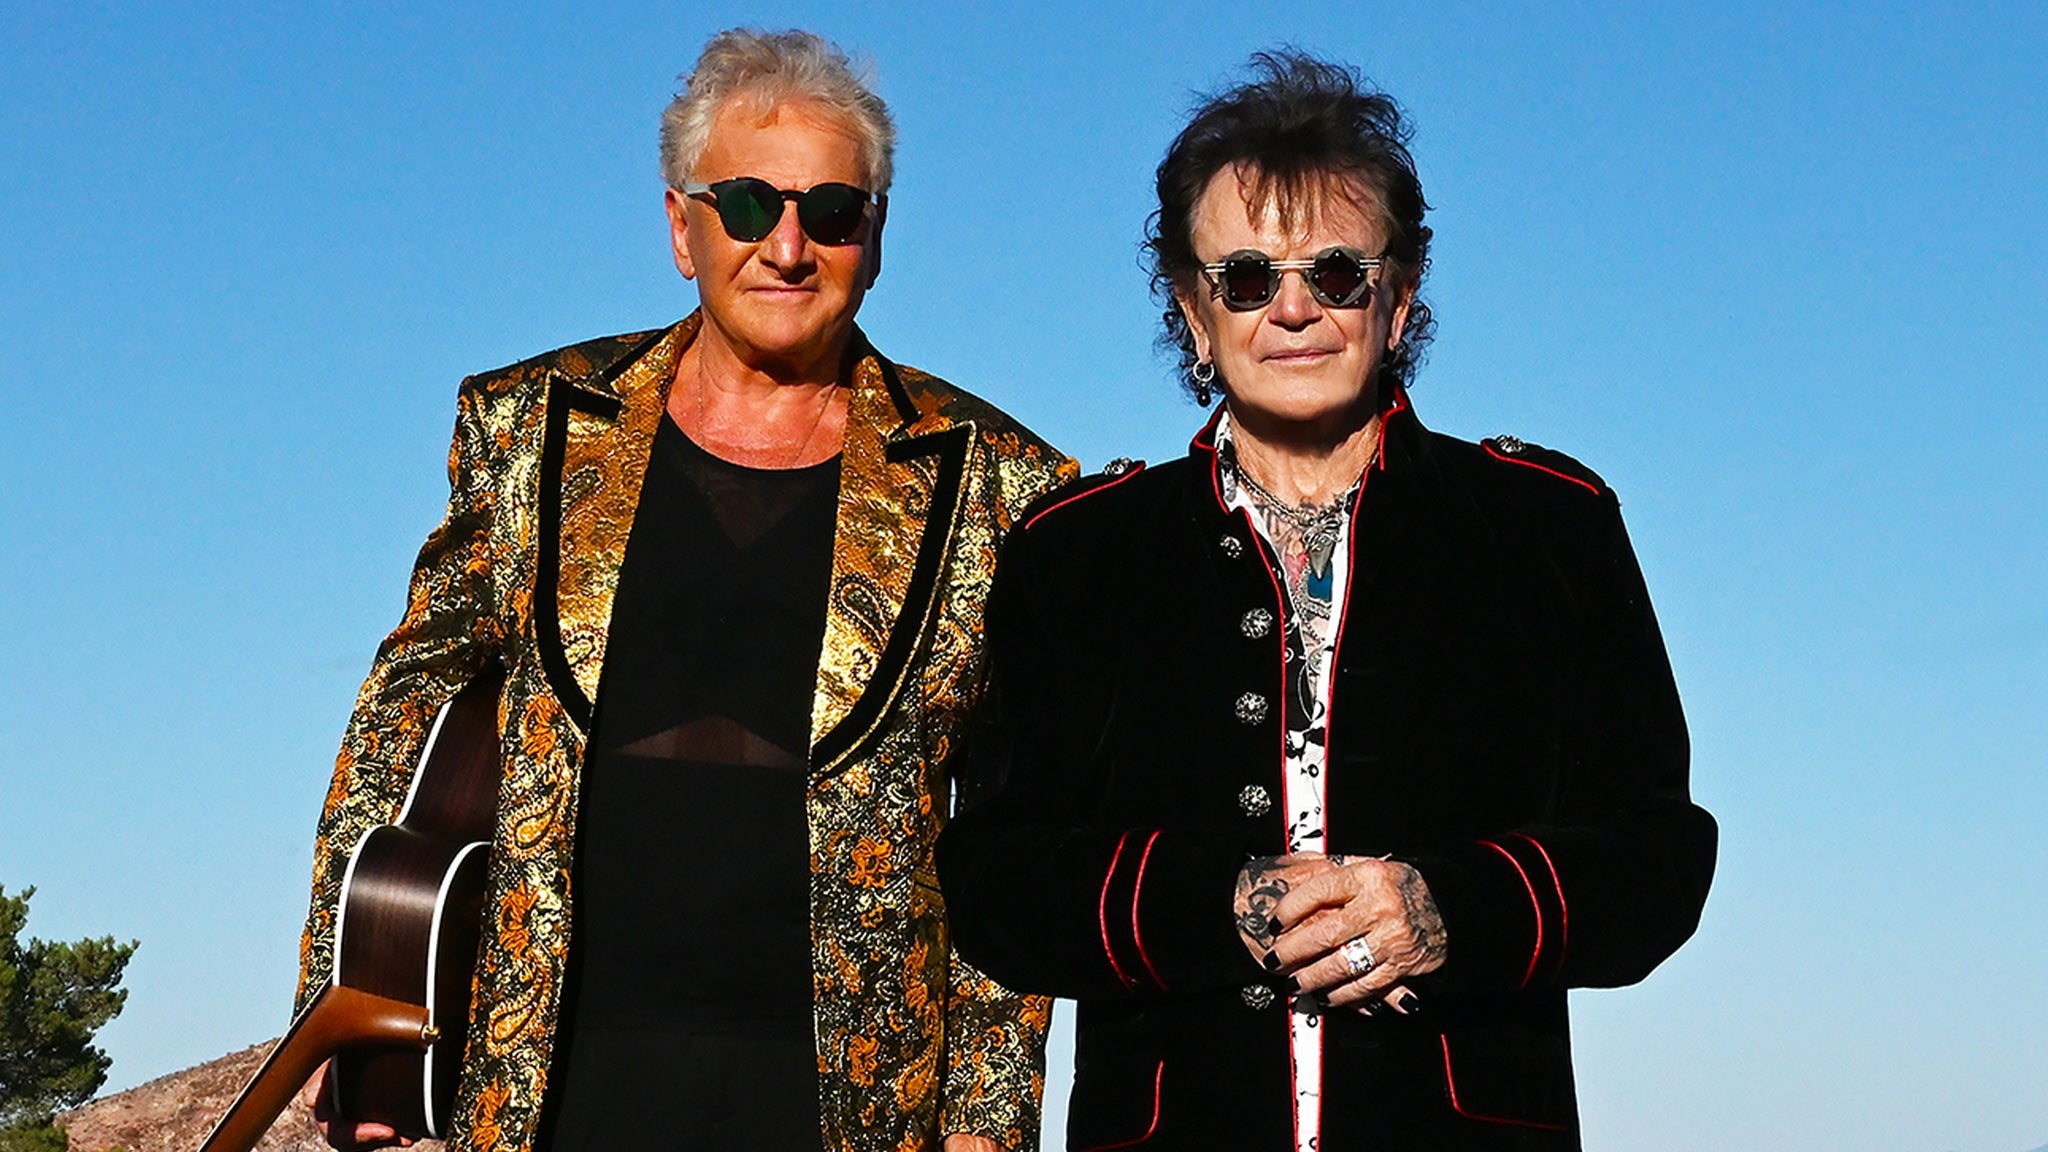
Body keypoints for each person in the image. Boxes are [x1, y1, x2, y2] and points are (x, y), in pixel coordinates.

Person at [294, 28, 1073, 1152]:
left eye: (832, 212)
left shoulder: (999, 480)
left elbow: (1011, 817)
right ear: (680, 227)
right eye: (747, 205)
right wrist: (358, 1033)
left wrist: (986, 1120)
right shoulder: (527, 428)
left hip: (849, 1103)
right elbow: (400, 722)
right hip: (546, 1082)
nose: (788, 248)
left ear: (875, 238)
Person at [937, 52, 1716, 1150]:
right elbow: (994, 878)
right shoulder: (1076, 554)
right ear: (1193, 311)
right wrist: (1219, 904)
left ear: (1399, 298)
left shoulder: (1549, 528)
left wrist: (1446, 908)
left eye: (1339, 274)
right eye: (1247, 278)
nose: (1293, 309)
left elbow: (1656, 857)